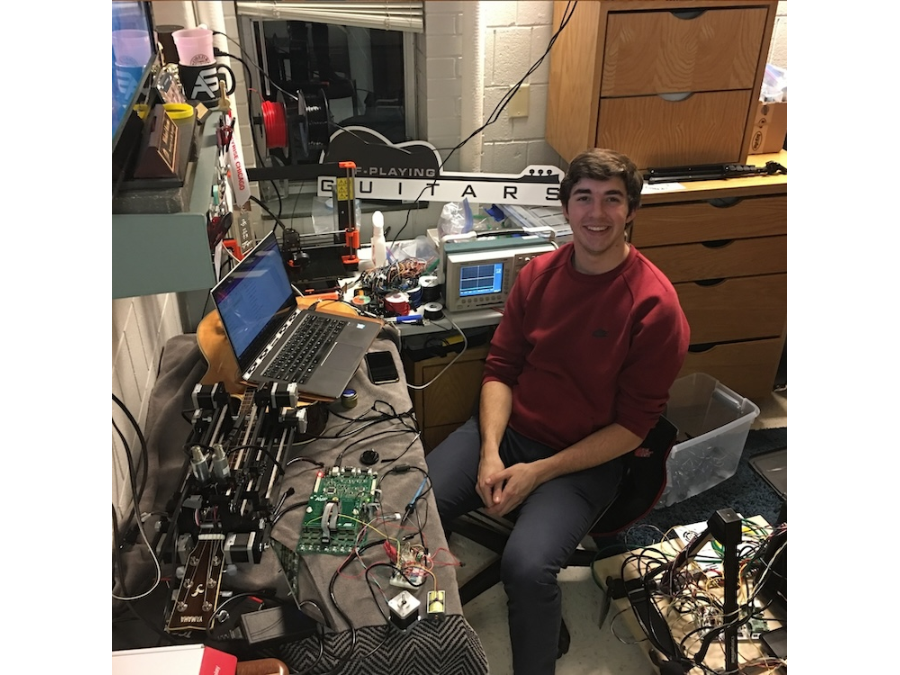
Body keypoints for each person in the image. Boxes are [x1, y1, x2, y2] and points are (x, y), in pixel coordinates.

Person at [426, 148, 690, 675]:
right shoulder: (539, 274)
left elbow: (633, 427)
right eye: (584, 198)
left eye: (612, 200)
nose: (597, 214)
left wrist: (536, 473)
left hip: (584, 460)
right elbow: (501, 368)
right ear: (566, 207)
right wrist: (491, 454)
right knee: (416, 509)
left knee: (526, 568)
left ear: (631, 211)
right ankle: (430, 625)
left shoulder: (655, 307)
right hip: (510, 434)